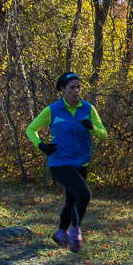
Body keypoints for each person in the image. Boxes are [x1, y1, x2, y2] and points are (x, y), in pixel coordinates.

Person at [26, 72, 107, 252]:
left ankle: (60, 233)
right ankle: (74, 232)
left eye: (78, 87)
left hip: (81, 163)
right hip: (60, 162)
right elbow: (31, 129)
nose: (76, 91)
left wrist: (92, 128)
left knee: (72, 202)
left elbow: (104, 134)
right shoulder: (53, 110)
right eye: (72, 87)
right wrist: (41, 145)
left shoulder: (88, 108)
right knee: (84, 195)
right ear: (62, 89)